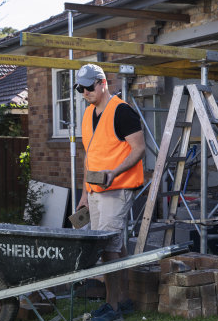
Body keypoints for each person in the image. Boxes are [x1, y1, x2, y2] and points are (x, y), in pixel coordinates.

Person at [75, 64, 145, 321]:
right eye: (80, 88)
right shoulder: (88, 113)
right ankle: (123, 300)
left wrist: (114, 172)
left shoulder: (122, 111)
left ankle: (111, 308)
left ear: (102, 83)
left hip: (117, 189)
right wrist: (84, 193)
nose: (84, 92)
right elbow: (89, 157)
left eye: (88, 87)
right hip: (94, 192)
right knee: (116, 245)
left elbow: (138, 149)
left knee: (107, 247)